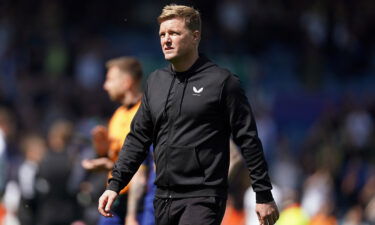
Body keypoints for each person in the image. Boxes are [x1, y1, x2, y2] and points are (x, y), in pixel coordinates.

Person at [98, 4, 279, 225]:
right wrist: (115, 184)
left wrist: (263, 195)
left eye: (174, 33)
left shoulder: (222, 82)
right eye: (162, 34)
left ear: (195, 36)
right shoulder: (155, 82)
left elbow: (248, 139)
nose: (166, 40)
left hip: (203, 197)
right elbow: (137, 139)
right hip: (162, 197)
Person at [82, 57, 148, 225]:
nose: (105, 86)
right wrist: (102, 150)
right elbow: (116, 158)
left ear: (126, 82)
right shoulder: (117, 115)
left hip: (140, 201)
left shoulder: (145, 113)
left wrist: (132, 215)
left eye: (110, 80)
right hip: (115, 197)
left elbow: (143, 166)